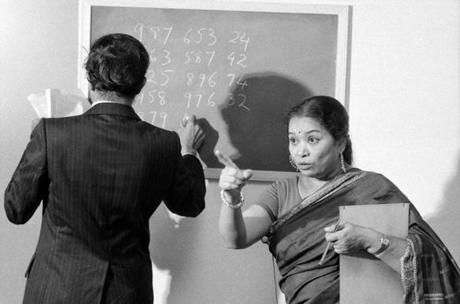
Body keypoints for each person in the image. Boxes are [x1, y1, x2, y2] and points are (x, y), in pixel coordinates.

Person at [4, 33, 206, 304]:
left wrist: (37, 142)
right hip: (126, 293)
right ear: (142, 84)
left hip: (55, 289)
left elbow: (16, 210)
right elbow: (190, 204)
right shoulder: (165, 143)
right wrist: (189, 152)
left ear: (89, 79)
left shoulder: (52, 134)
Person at [216, 95, 460, 304]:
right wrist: (231, 198)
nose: (300, 151)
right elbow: (235, 238)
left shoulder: (373, 189)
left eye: (312, 140)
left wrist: (369, 240)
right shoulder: (281, 193)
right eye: (293, 140)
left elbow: (425, 259)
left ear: (340, 143)